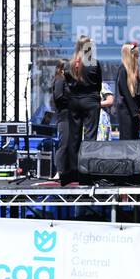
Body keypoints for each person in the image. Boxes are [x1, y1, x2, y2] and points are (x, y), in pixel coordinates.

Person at [55, 37, 102, 181]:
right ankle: (87, 171)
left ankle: (73, 170)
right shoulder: (93, 63)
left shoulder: (69, 64)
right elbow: (98, 85)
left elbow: (68, 84)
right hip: (90, 101)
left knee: (74, 137)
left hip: (74, 102)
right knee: (90, 136)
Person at [114, 41, 140, 141]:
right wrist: (136, 111)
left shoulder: (135, 71)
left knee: (135, 137)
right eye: (136, 55)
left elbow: (139, 92)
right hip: (126, 111)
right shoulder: (122, 70)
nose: (138, 57)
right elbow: (126, 93)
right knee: (127, 138)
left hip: (134, 111)